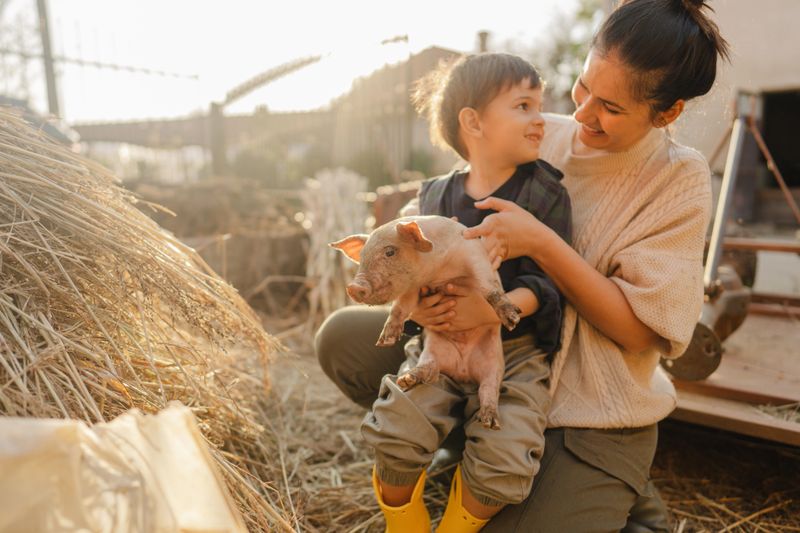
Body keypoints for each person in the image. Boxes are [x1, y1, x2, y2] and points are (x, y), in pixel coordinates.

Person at [316, 0, 730, 530]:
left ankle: (614, 485)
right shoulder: (542, 132)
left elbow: (639, 332)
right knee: (343, 340)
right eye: (582, 88)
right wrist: (434, 293)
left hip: (588, 407)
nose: (582, 114)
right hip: (487, 356)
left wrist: (541, 245)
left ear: (667, 113)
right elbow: (438, 213)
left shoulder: (677, 180)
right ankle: (474, 444)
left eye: (610, 107)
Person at [358, 52, 571, 533]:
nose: (540, 120)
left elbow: (549, 280)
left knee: (506, 455)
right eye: (523, 106)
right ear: (473, 122)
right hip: (438, 341)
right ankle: (405, 521)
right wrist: (421, 313)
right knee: (397, 430)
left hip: (514, 352)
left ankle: (458, 523)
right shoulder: (432, 198)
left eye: (540, 106)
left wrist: (491, 310)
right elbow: (405, 274)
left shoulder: (548, 194)